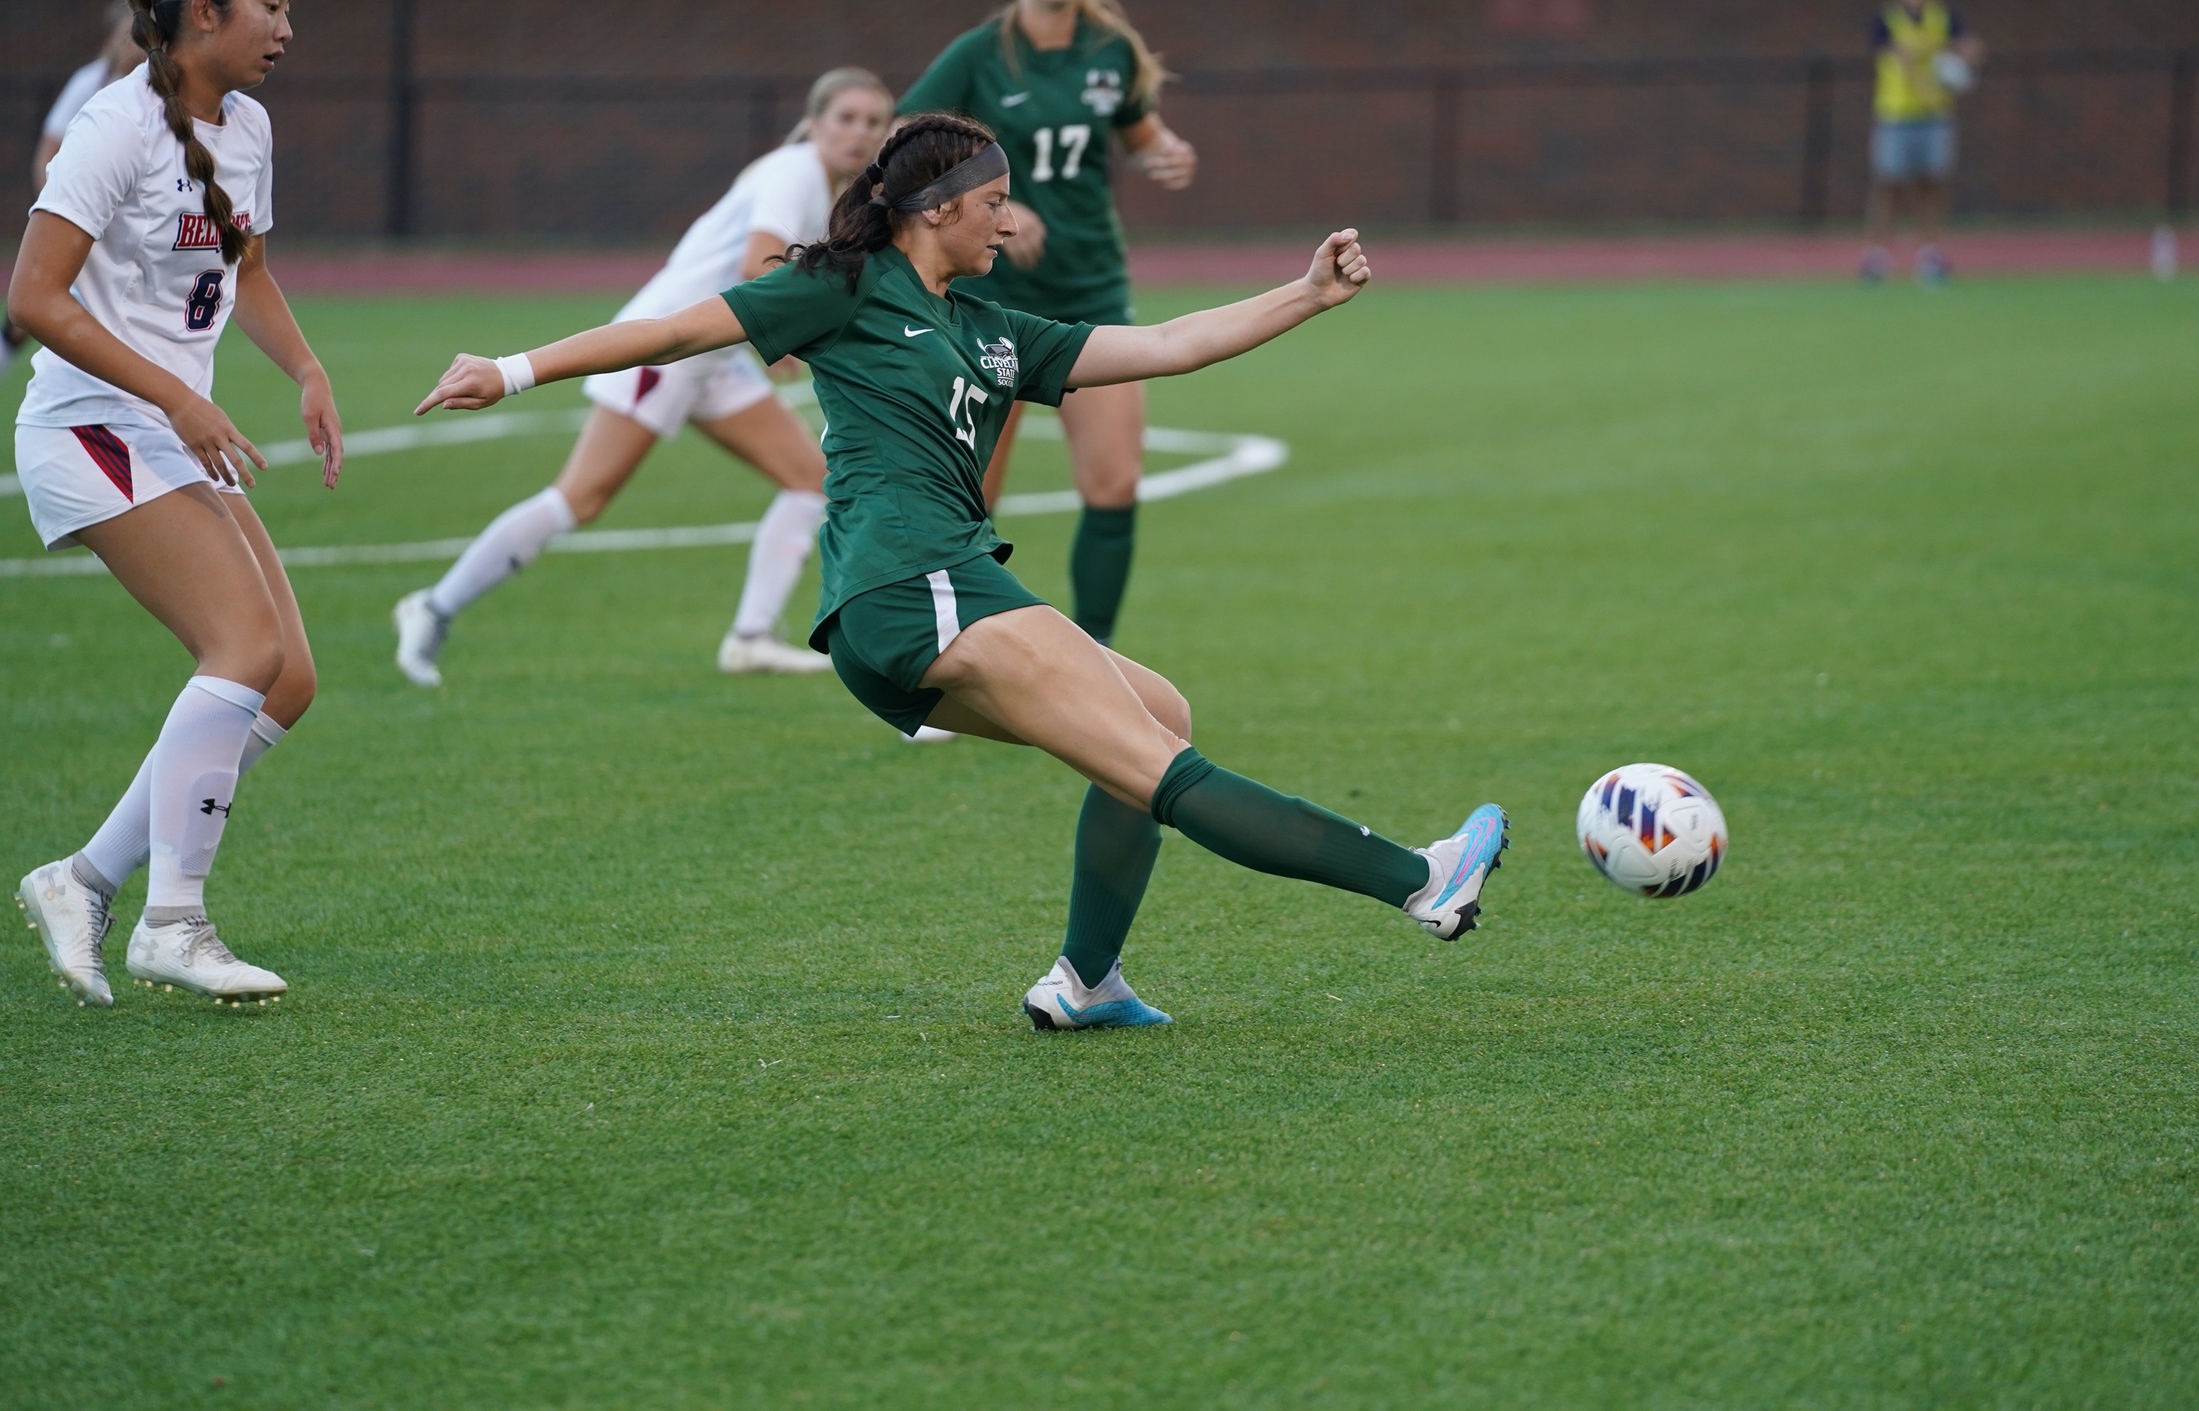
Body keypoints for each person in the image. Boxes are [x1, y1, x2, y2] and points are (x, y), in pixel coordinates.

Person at [414, 114, 1507, 1030]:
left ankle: (1085, 980)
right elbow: (670, 331)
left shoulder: (986, 327)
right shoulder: (839, 286)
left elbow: (1168, 345)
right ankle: (1419, 878)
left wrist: (1303, 294)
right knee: (1158, 765)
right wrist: (510, 369)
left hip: (908, 605)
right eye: (994, 202)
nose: (1010, 220)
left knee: (1158, 715)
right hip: (915, 584)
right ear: (936, 208)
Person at [10, 0, 342, 1008]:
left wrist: (306, 368)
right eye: (270, 6)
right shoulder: (114, 126)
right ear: (204, 10)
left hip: (159, 427)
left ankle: (83, 879)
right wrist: (178, 396)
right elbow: (32, 298)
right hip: (90, 427)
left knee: (286, 679)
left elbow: (249, 271)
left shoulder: (248, 125)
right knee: (241, 647)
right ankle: (172, 925)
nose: (285, 29)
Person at [392, 68, 895, 687]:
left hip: (715, 354)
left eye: (872, 122)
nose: (858, 132)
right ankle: (433, 607)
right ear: (814, 124)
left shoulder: (824, 185)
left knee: (813, 482)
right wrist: (803, 333)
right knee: (580, 498)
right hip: (662, 348)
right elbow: (757, 264)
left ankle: (751, 638)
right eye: (845, 118)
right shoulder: (796, 172)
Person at [896, 0, 1197, 648]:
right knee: (969, 499)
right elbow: (902, 144)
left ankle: (1096, 662)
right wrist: (992, 202)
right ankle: (957, 655)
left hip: (1089, 290)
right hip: (989, 301)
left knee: (1114, 484)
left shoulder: (1110, 52)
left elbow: (1138, 136)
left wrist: (1163, 153)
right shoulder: (979, 54)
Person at [2, 5, 142, 356]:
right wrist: (58, 211)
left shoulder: (151, 90)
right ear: (112, 38)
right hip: (85, 218)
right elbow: (48, 149)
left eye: (140, 36)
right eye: (126, 35)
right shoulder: (91, 83)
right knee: (37, 306)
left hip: (124, 226)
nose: (133, 44)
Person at [1860, 0, 1985, 284]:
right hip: (1896, 114)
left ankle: (1930, 254)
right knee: (1889, 184)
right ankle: (1877, 255)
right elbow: (1890, 52)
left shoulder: (1944, 17)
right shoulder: (1886, 19)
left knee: (1933, 184)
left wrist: (1965, 57)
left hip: (1934, 116)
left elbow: (1969, 45)